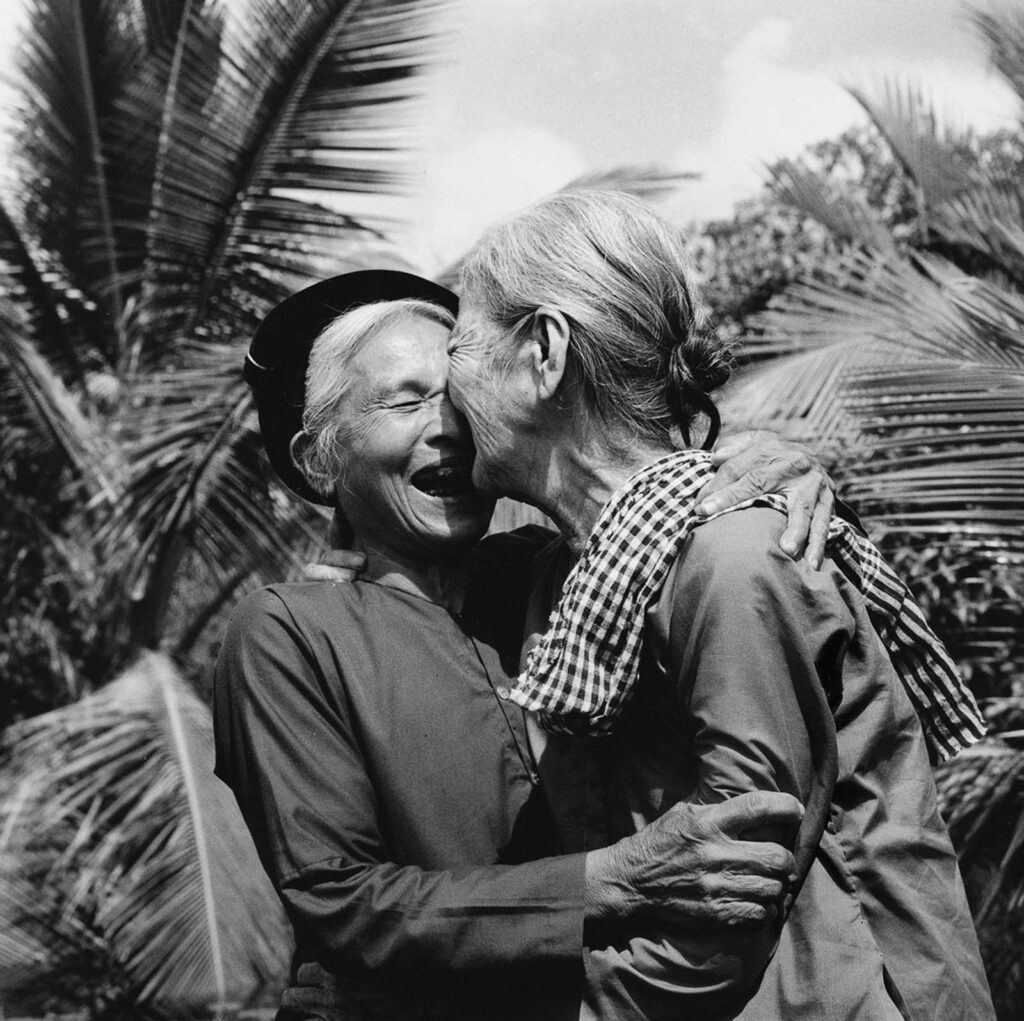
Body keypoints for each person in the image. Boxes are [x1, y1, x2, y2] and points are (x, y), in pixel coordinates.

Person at [216, 271, 837, 1021]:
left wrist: (772, 471)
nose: (445, 426)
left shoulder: (565, 571)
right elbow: (341, 900)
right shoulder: (287, 628)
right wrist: (611, 881)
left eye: (456, 398)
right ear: (320, 459)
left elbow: (684, 518)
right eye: (406, 399)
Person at [438, 188, 993, 1019]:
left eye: (459, 344)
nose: (445, 390)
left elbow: (731, 895)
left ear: (545, 353)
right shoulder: (570, 577)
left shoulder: (733, 558)